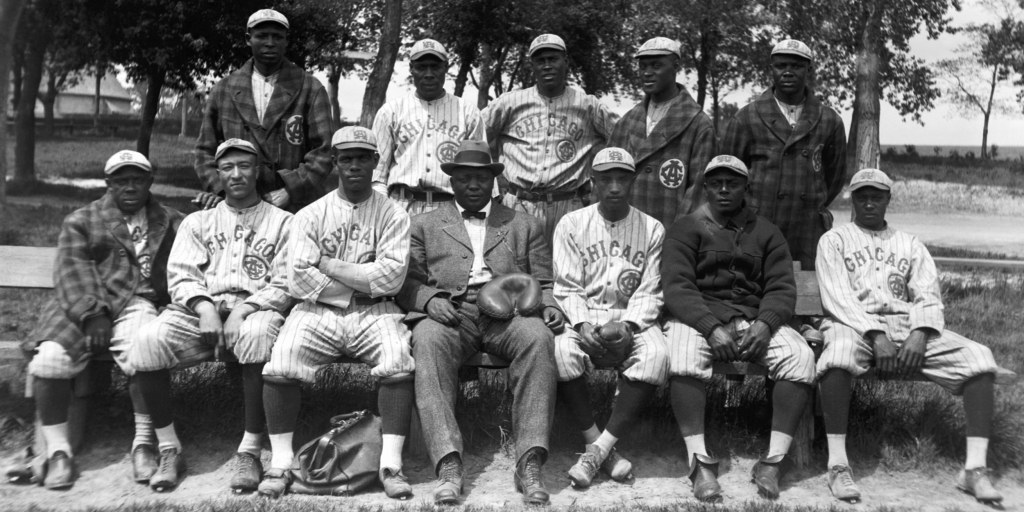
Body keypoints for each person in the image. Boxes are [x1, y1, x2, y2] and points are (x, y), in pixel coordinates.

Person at [815, 168, 1003, 504]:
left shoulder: (910, 244)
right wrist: (875, 334)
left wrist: (919, 333)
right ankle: (838, 464)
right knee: (837, 355)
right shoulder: (834, 240)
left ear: (888, 199)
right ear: (852, 199)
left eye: (877, 196)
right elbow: (837, 297)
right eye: (862, 196)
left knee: (979, 358)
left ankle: (974, 470)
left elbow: (927, 294)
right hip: (852, 324)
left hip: (907, 326)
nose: (869, 202)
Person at [398, 140, 564, 506]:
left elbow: (545, 280)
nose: (473, 184)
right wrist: (430, 300)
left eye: (481, 177)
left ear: (493, 181)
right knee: (427, 341)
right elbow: (407, 281)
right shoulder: (424, 224)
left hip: (510, 314)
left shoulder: (523, 223)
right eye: (464, 178)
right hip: (452, 313)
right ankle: (448, 464)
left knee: (538, 338)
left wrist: (550, 306)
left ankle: (529, 461)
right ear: (452, 182)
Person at [257, 126, 416, 500]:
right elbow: (297, 279)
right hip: (316, 310)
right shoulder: (310, 214)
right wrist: (360, 280)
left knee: (397, 359)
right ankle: (280, 462)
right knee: (282, 359)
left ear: (377, 162)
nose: (355, 165)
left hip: (377, 311)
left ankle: (391, 464)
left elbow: (392, 278)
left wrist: (328, 264)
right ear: (335, 163)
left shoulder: (394, 213)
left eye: (363, 158)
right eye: (347, 158)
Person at [129, 139, 293, 493]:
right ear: (217, 174)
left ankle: (250, 448)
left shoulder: (284, 222)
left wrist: (244, 310)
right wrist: (205, 308)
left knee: (258, 333)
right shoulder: (197, 222)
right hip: (198, 310)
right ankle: (169, 447)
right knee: (146, 340)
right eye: (228, 167)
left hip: (256, 307)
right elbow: (182, 275)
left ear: (259, 170)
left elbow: (286, 282)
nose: (236, 174)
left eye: (245, 166)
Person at [22, 150, 183, 490]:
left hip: (138, 301)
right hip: (84, 304)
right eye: (121, 181)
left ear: (150, 182)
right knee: (50, 359)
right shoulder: (82, 219)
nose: (129, 187)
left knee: (143, 351)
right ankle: (58, 451)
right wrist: (92, 313)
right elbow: (72, 269)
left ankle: (143, 443)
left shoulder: (167, 218)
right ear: (108, 184)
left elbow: (198, 244)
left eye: (137, 180)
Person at [662, 155, 815, 501]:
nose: (724, 189)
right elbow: (677, 287)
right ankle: (699, 462)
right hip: (699, 317)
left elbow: (781, 287)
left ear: (746, 187)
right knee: (684, 354)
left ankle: (773, 462)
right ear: (706, 187)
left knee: (799, 356)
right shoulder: (687, 227)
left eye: (732, 183)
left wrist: (765, 323)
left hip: (752, 319)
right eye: (716, 183)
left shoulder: (766, 231)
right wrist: (710, 326)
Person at [552, 147, 668, 488]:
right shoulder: (572, 223)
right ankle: (597, 444)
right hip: (583, 314)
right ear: (593, 183)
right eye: (606, 179)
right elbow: (567, 285)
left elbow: (651, 290)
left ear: (632, 181)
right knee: (560, 352)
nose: (614, 186)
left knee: (656, 355)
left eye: (621, 178)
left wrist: (630, 326)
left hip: (632, 317)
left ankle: (597, 450)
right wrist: (582, 324)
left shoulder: (652, 228)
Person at [719, 39, 846, 270]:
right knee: (752, 292)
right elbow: (726, 176)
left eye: (796, 66)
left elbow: (835, 177)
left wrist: (811, 202)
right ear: (771, 69)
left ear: (809, 70)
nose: (788, 72)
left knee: (807, 295)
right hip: (757, 226)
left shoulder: (829, 120)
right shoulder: (747, 117)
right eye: (781, 66)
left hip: (807, 229)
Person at [194, 8, 334, 213]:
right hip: (237, 207)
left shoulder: (310, 88)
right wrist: (223, 191)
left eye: (277, 37)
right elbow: (204, 152)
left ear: (287, 40)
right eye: (261, 36)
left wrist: (291, 189)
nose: (270, 42)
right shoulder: (224, 89)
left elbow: (325, 151)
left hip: (295, 208)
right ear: (248, 39)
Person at [484, 33, 616, 239]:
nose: (547, 65)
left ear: (566, 62)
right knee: (514, 270)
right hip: (518, 204)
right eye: (540, 60)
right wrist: (491, 192)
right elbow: (474, 140)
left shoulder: (587, 105)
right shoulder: (510, 102)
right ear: (532, 66)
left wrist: (602, 185)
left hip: (570, 205)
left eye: (553, 59)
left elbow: (624, 137)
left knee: (568, 269)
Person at [609, 37, 714, 227]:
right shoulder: (627, 122)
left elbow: (698, 191)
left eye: (656, 65)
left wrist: (679, 240)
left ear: (675, 67)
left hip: (670, 232)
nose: (647, 73)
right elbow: (607, 178)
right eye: (643, 66)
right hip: (625, 231)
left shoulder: (698, 124)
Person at [371, 38, 483, 214]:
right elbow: (377, 174)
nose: (429, 73)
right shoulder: (391, 111)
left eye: (435, 66)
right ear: (411, 69)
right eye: (422, 67)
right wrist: (382, 212)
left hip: (450, 207)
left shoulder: (467, 112)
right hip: (401, 205)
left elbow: (480, 170)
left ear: (446, 68)